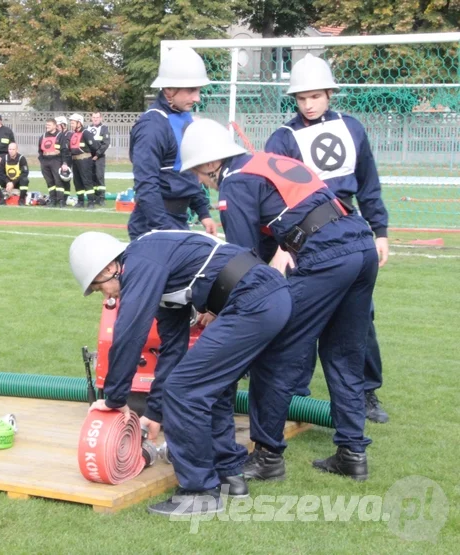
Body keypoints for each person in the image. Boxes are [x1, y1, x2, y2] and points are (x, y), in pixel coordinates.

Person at [181, 118, 378, 481]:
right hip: (359, 243)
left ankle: (268, 457)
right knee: (344, 352)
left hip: (326, 255)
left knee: (275, 354)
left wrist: (213, 308)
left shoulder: (235, 182)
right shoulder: (266, 162)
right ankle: (352, 452)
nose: (199, 181)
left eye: (197, 171)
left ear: (211, 163)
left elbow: (242, 259)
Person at [69, 230, 291, 516]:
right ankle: (229, 476)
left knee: (185, 391)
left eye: (99, 287)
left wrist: (114, 399)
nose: (106, 296)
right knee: (212, 387)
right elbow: (172, 349)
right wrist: (155, 413)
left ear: (111, 268)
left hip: (254, 299)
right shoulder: (157, 274)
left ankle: (199, 492)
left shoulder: (140, 263)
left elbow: (128, 333)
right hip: (265, 296)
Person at [265, 54, 391, 424]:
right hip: (304, 234)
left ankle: (366, 392)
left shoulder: (352, 129)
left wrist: (380, 230)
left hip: (349, 228)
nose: (307, 104)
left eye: (315, 96)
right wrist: (279, 245)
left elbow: (369, 183)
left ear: (330, 93)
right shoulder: (283, 138)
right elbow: (271, 196)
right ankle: (295, 393)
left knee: (360, 317)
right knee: (302, 313)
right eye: (301, 98)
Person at [128, 45, 217, 240]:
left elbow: (186, 173)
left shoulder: (184, 117)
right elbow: (146, 184)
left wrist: (203, 212)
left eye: (199, 90)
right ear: (169, 89)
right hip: (153, 224)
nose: (197, 98)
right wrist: (165, 230)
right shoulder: (152, 126)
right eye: (191, 90)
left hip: (177, 220)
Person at [64, 113, 98, 208]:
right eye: (71, 122)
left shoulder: (86, 133)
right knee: (77, 181)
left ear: (79, 123)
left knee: (87, 181)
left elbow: (94, 146)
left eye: (73, 122)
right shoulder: (73, 134)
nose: (71, 124)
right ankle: (81, 201)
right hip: (75, 160)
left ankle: (91, 202)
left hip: (85, 160)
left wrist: (93, 156)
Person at [38, 118, 68, 206]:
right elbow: (40, 151)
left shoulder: (60, 135)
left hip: (56, 161)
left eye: (49, 125)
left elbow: (64, 150)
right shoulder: (43, 136)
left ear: (55, 126)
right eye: (46, 125)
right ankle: (53, 200)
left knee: (58, 181)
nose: (47, 126)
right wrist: (42, 161)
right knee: (49, 182)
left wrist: (64, 163)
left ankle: (61, 200)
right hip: (45, 161)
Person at [87, 112, 110, 206]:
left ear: (101, 118)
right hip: (89, 157)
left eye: (97, 117)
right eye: (94, 117)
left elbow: (106, 143)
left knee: (99, 176)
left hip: (99, 157)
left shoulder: (104, 128)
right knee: (91, 177)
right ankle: (94, 197)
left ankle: (101, 198)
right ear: (91, 118)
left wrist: (97, 154)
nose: (95, 119)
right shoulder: (87, 128)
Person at [55, 116, 71, 206]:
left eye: (58, 125)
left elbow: (66, 149)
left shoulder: (68, 134)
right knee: (59, 180)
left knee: (66, 179)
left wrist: (65, 163)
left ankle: (65, 199)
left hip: (67, 159)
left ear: (63, 125)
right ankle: (60, 198)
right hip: (59, 159)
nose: (57, 127)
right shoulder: (59, 134)